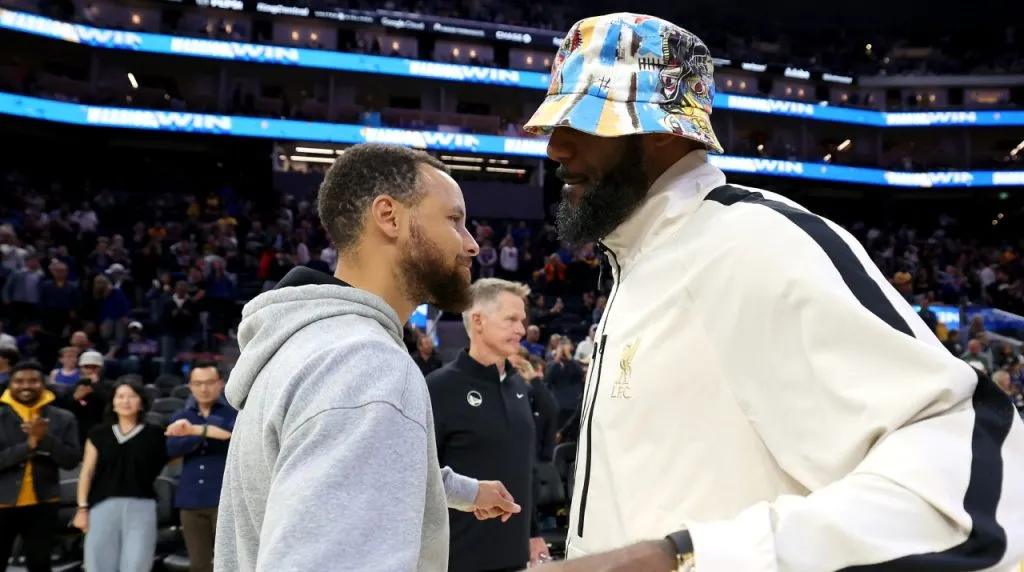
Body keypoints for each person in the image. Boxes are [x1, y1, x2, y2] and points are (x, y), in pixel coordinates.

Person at [524, 13, 1024, 571]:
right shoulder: (640, 262)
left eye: (584, 121)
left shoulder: (754, 243)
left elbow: (969, 468)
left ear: (665, 128)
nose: (556, 147)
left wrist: (684, 557)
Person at [216, 143, 522, 572]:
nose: (472, 245)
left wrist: (466, 492)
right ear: (389, 216)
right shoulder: (365, 366)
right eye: (455, 220)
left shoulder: (307, 342)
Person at [427, 279, 550, 571]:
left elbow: (525, 467)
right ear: (478, 321)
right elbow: (421, 478)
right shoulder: (439, 388)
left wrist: (533, 533)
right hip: (456, 561)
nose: (521, 329)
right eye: (511, 319)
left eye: (522, 320)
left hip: (516, 558)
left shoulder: (519, 386)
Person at [73, 379, 169, 572]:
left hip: (142, 507)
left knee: (137, 565)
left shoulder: (156, 434)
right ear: (113, 402)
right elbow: (87, 472)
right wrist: (82, 508)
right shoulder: (98, 434)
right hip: (101, 506)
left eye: (132, 396)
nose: (126, 401)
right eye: (121, 396)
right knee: (98, 565)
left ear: (141, 402)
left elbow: (174, 458)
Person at [0, 361, 81, 572]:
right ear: (10, 385)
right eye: (19, 381)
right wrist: (29, 446)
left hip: (44, 504)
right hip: (2, 502)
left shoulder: (63, 418)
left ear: (43, 384)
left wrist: (46, 440)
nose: (26, 386)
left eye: (33, 381)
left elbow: (71, 461)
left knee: (40, 565)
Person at [166, 361, 236, 572]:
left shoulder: (232, 414)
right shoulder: (181, 417)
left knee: (231, 563)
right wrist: (207, 432)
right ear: (190, 386)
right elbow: (172, 448)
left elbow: (232, 439)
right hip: (190, 500)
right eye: (198, 383)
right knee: (199, 565)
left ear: (220, 384)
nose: (203, 388)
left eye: (209, 382)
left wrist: (193, 431)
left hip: (224, 499)